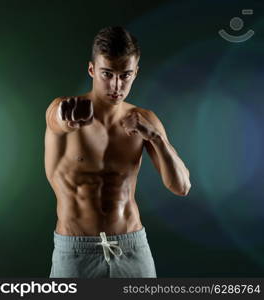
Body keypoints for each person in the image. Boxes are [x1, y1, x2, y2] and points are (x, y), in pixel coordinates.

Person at [45, 26, 191, 278]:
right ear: (92, 70)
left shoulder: (145, 120)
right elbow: (57, 117)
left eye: (125, 75)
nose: (116, 85)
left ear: (136, 73)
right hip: (77, 253)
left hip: (132, 247)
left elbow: (181, 187)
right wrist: (66, 117)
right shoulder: (64, 108)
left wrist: (155, 138)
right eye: (107, 74)